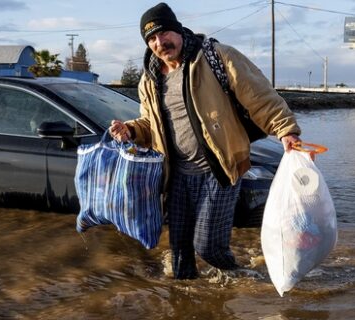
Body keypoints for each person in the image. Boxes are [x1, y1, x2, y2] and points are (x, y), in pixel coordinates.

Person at [108, 2, 302, 279]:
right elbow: (150, 125)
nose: (159, 42)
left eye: (164, 33)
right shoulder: (149, 81)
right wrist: (130, 130)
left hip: (219, 169)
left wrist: (286, 130)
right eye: (151, 38)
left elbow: (259, 96)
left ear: (177, 30)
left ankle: (244, 279)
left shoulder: (215, 56)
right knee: (179, 258)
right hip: (176, 176)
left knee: (208, 246)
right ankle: (188, 303)